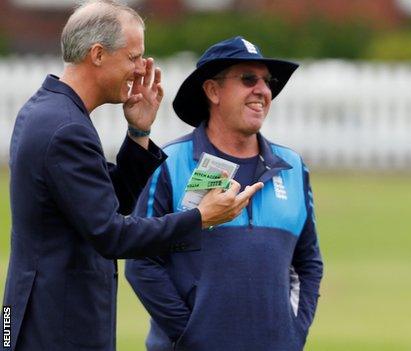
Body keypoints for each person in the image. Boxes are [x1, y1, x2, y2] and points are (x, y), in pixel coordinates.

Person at [2, 2, 262, 351]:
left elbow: (101, 204)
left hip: (42, 317)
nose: (141, 70)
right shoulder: (65, 127)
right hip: (57, 326)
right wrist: (199, 218)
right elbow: (111, 234)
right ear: (97, 54)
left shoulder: (48, 110)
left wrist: (139, 132)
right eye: (133, 57)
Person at [125, 36, 323, 351]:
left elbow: (308, 261)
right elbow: (141, 261)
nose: (262, 90)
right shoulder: (170, 163)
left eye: (267, 81)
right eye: (248, 79)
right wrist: (190, 335)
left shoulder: (293, 167)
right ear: (213, 91)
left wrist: (294, 333)